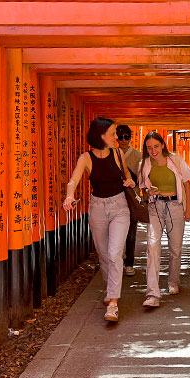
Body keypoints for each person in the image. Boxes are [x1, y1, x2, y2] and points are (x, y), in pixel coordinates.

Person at [63, 117, 135, 322]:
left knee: (114, 254)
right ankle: (110, 287)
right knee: (103, 255)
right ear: (100, 135)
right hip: (97, 208)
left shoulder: (118, 154)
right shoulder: (86, 158)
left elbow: (127, 176)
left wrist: (129, 181)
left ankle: (113, 302)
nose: (116, 137)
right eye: (113, 134)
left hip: (120, 207)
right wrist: (70, 195)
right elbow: (74, 179)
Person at [138, 132, 190, 307]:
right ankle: (152, 293)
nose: (153, 150)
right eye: (149, 147)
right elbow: (142, 190)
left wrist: (189, 207)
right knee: (152, 246)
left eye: (156, 146)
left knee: (175, 248)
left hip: (175, 206)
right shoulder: (144, 164)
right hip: (155, 207)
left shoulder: (176, 160)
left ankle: (173, 281)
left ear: (162, 145)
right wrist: (148, 192)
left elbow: (187, 183)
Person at [116, 125, 143, 277]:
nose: (123, 140)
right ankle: (117, 261)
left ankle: (129, 263)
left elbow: (142, 179)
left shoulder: (138, 156)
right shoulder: (111, 154)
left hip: (131, 198)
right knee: (115, 232)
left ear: (131, 138)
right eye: (120, 137)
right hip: (115, 197)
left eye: (126, 137)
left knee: (131, 232)